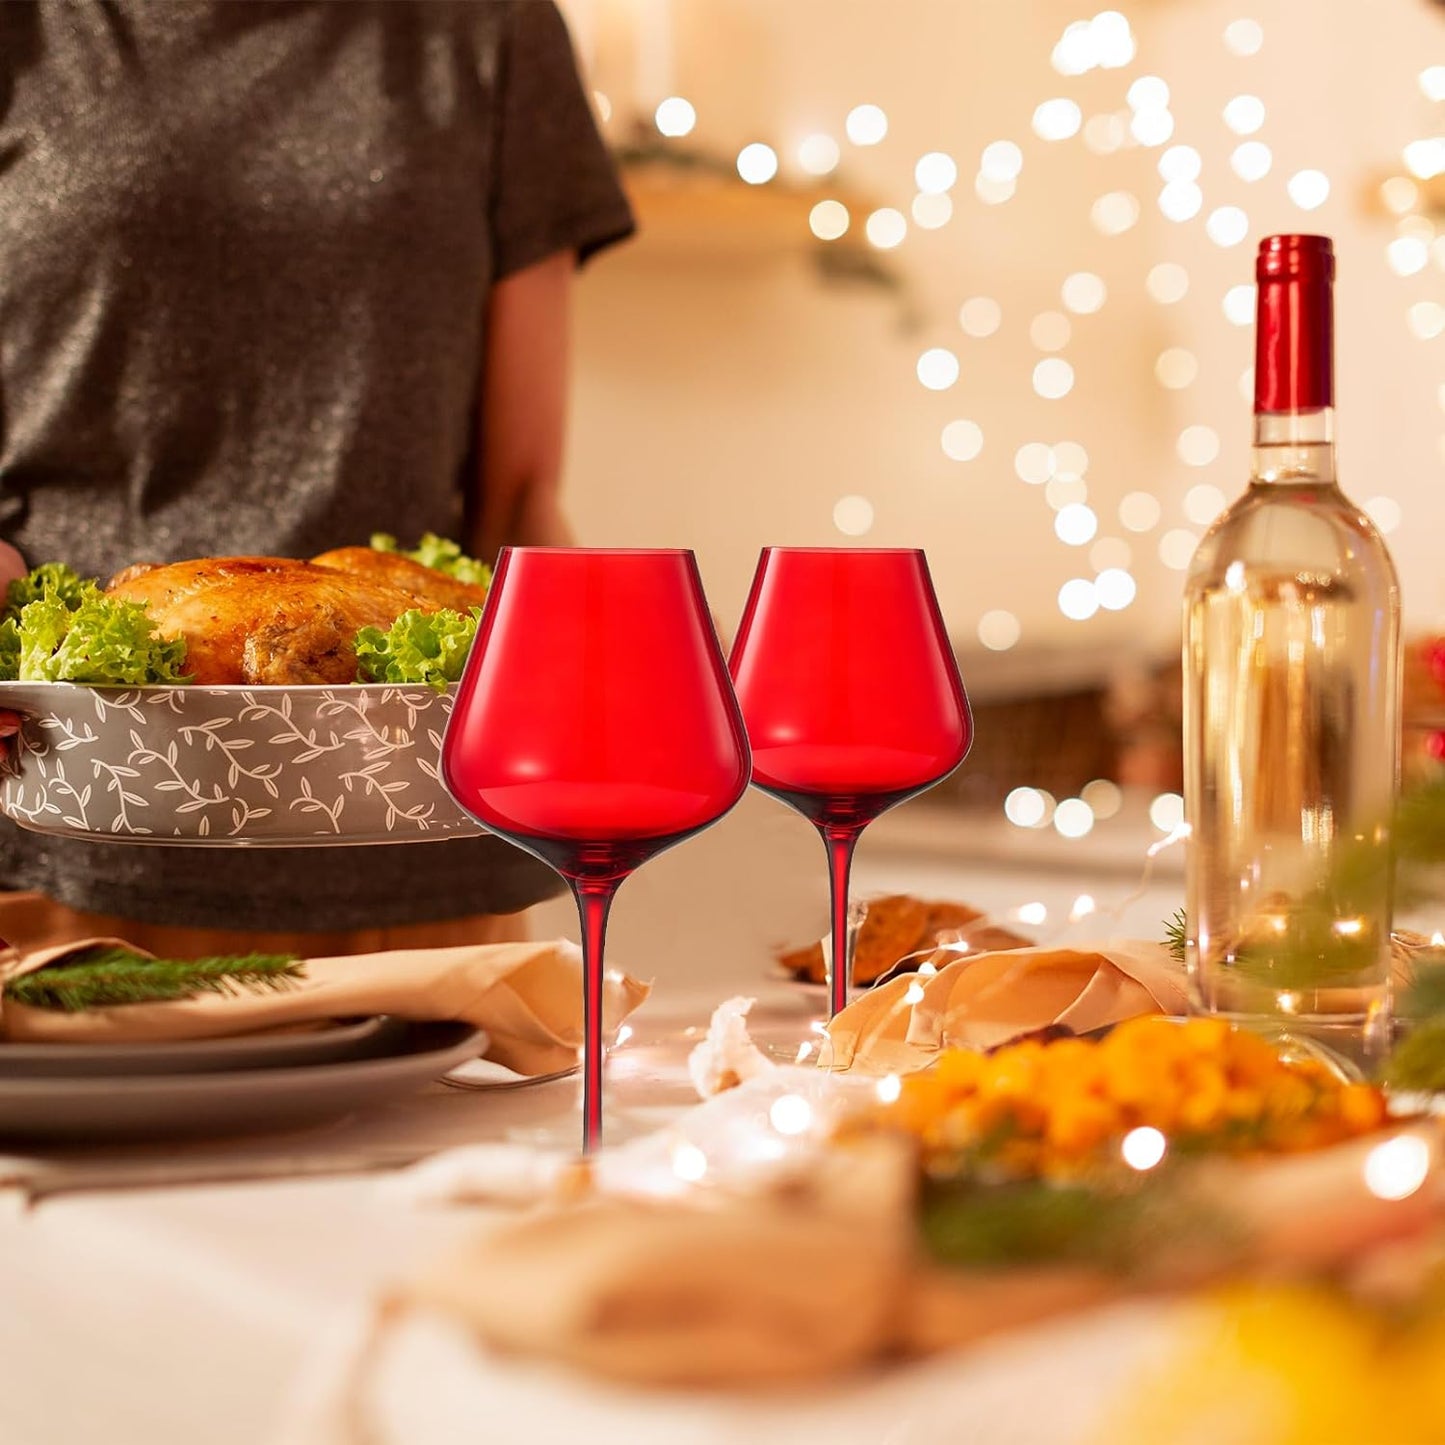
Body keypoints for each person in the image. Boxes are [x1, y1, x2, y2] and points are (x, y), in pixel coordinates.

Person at [0, 0, 634, 957]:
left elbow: (520, 495)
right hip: (64, 826)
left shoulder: (490, 27)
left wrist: (599, 674)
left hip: (418, 848)